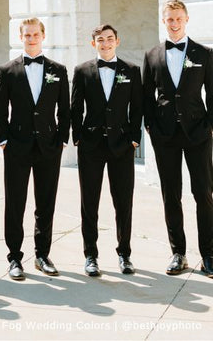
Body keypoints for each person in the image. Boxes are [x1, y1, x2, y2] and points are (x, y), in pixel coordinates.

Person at [0, 17, 70, 281]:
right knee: (15, 203)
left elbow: (66, 109)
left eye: (35, 34)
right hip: (17, 146)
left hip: (49, 147)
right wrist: (3, 140)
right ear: (21, 37)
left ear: (43, 35)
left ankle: (42, 255)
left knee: (45, 203)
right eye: (27, 35)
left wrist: (61, 139)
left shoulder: (58, 70)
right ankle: (15, 257)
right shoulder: (7, 70)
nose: (31, 39)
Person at [143, 0, 213, 278]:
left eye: (178, 19)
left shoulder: (204, 53)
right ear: (163, 21)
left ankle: (208, 253)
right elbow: (146, 96)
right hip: (165, 136)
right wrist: (151, 127)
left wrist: (209, 126)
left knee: (203, 194)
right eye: (169, 19)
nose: (174, 23)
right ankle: (178, 253)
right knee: (170, 195)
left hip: (198, 134)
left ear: (186, 19)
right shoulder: (152, 55)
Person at [71, 24, 142, 277]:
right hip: (90, 147)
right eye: (100, 40)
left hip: (122, 147)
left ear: (117, 41)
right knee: (89, 203)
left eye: (110, 39)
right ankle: (90, 255)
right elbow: (75, 107)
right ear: (94, 44)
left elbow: (137, 108)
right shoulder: (82, 71)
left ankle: (125, 254)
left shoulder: (132, 71)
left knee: (123, 202)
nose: (105, 43)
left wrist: (134, 139)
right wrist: (78, 137)